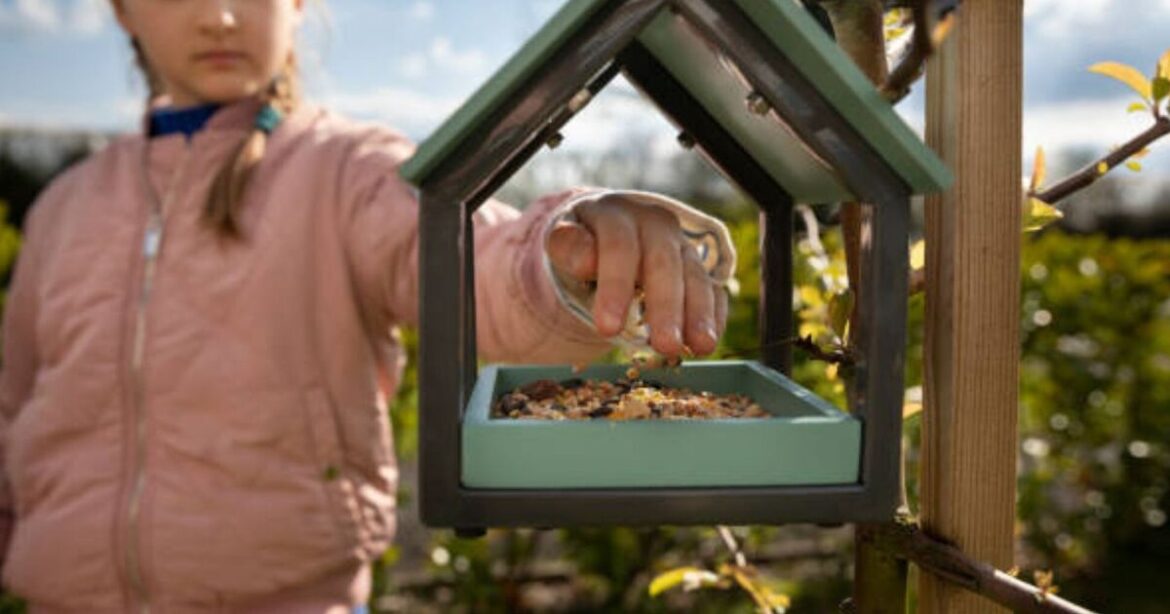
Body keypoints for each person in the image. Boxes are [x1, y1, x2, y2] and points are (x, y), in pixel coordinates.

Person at [0, 0, 732, 611]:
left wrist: (567, 251)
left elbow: (473, 266)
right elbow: (13, 408)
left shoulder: (349, 172)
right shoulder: (66, 207)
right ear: (123, 9)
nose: (220, 15)